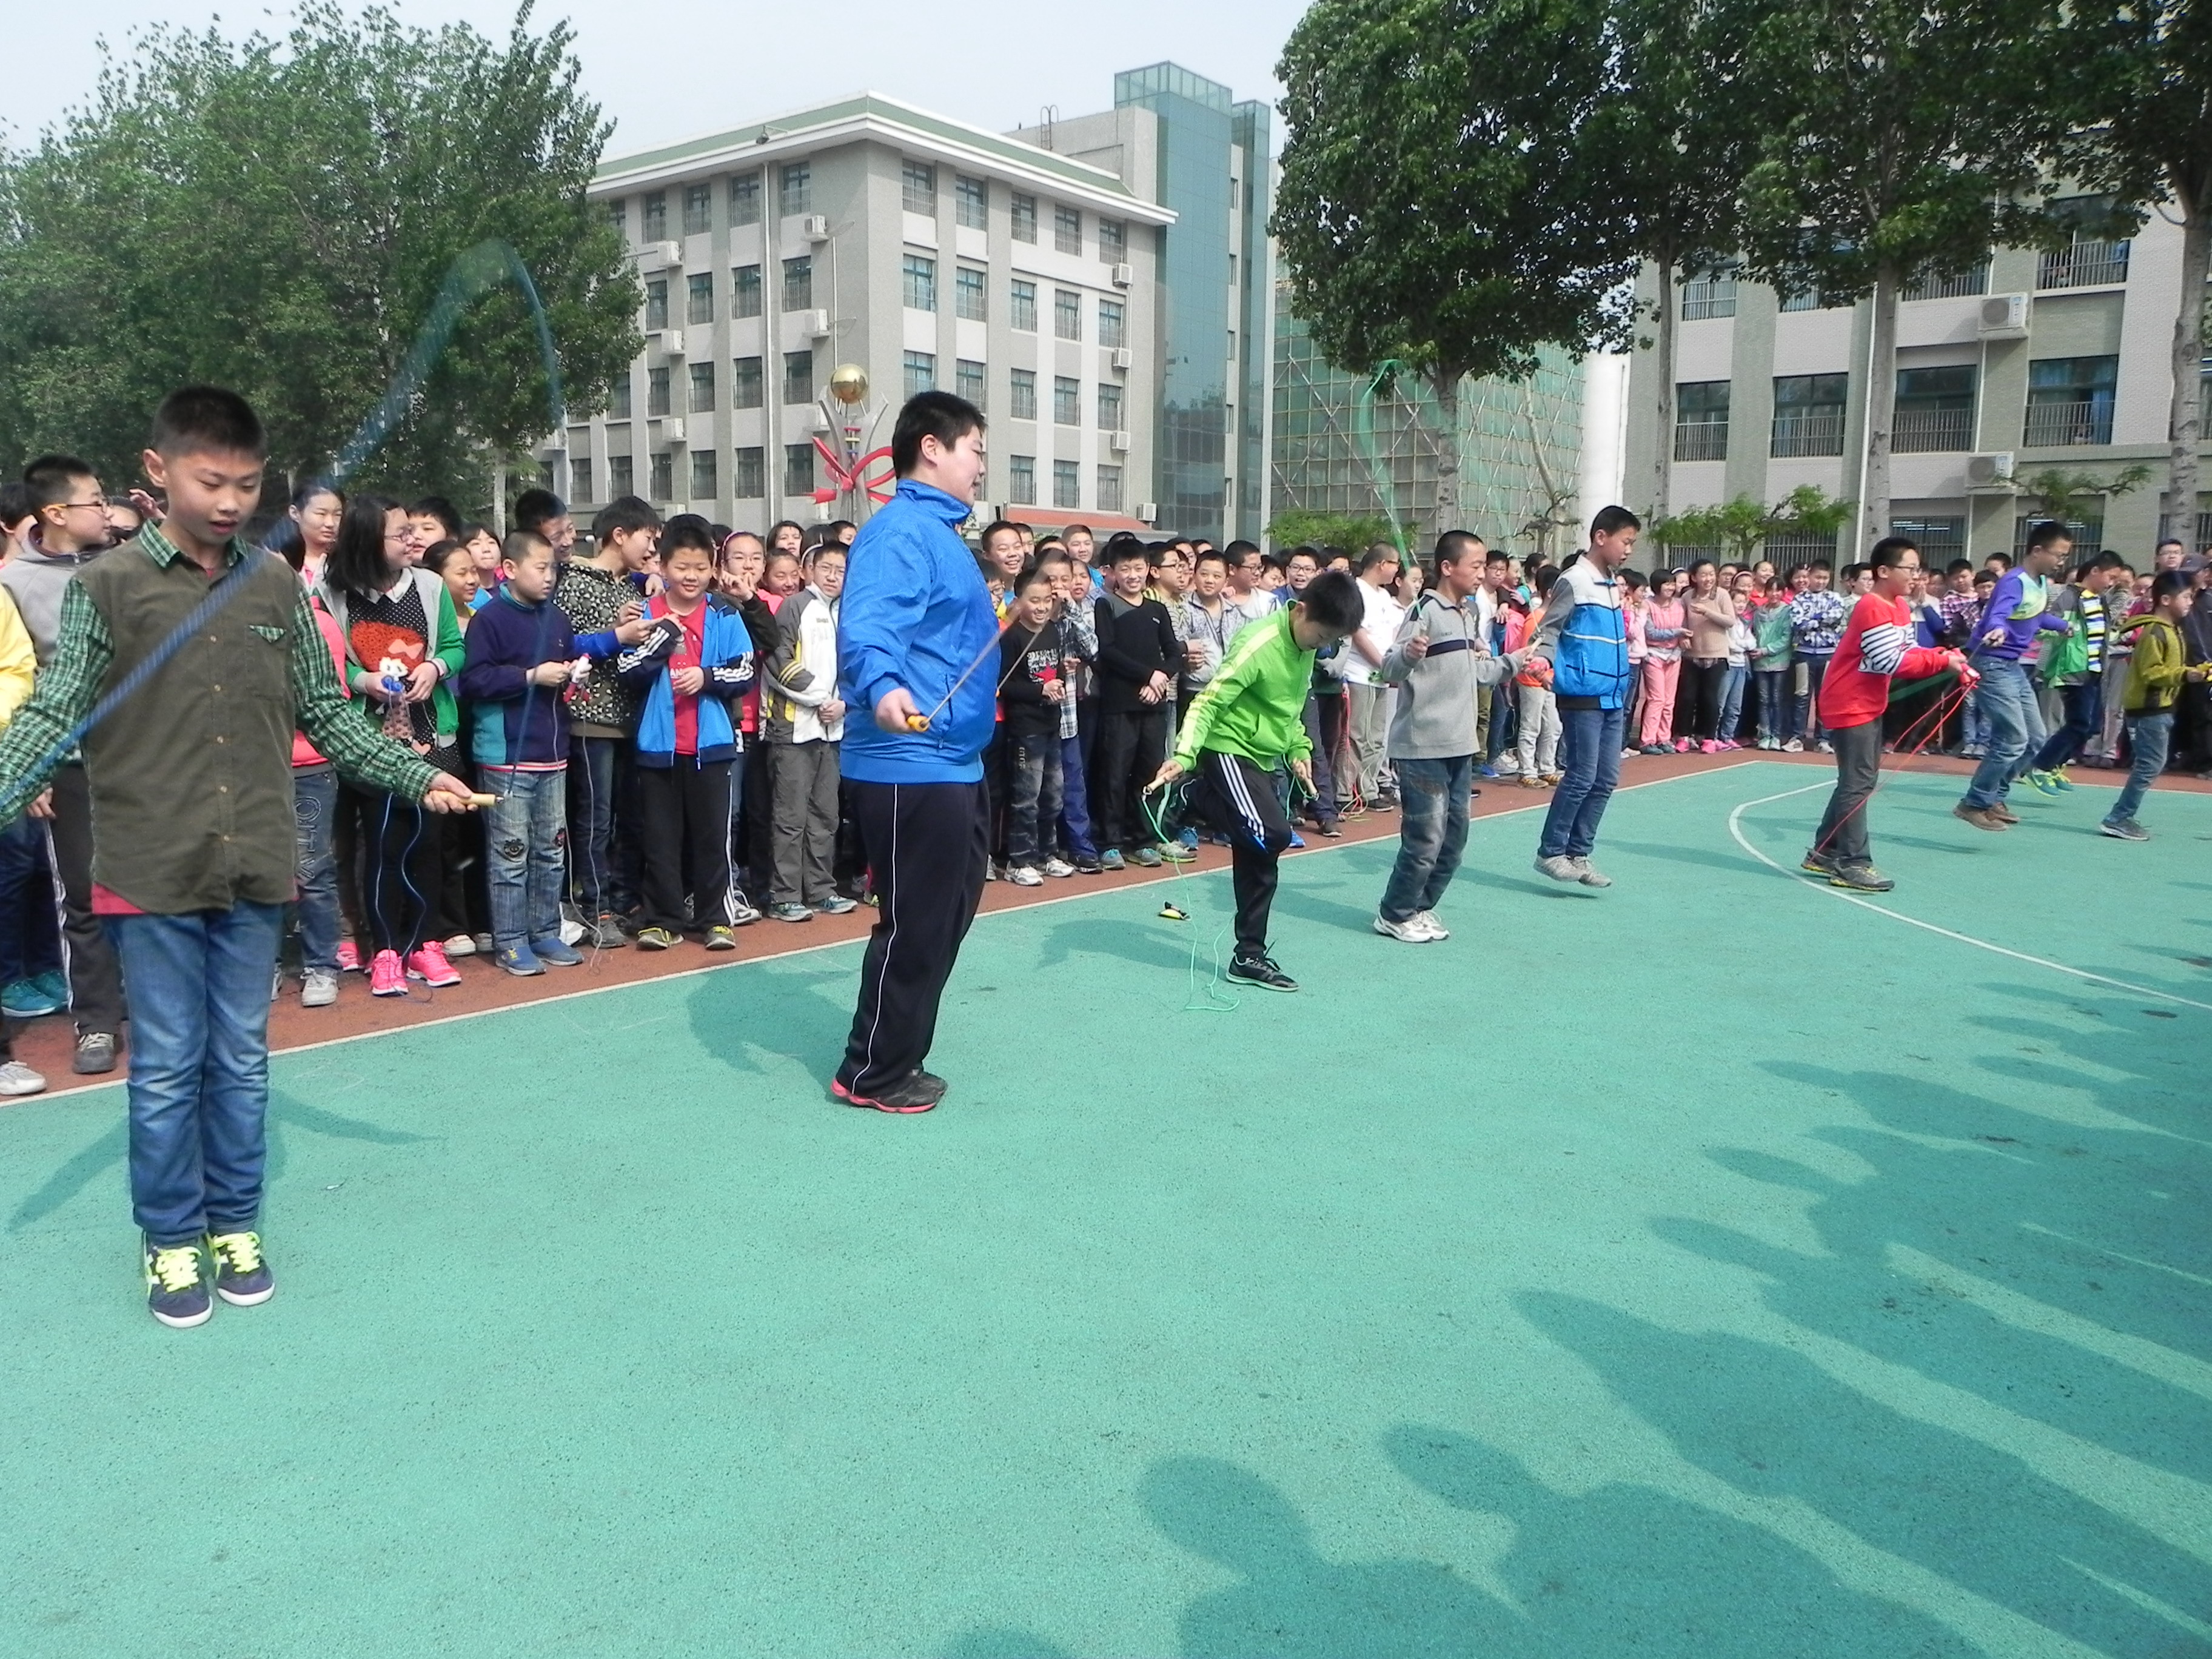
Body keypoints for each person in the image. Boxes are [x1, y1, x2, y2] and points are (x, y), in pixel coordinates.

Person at [0, 387, 474, 1327]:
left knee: (244, 1065)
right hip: (149, 872)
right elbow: (53, 714)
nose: (228, 501)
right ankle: (172, 1237)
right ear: (157, 470)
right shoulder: (106, 587)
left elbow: (328, 713)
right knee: (168, 1068)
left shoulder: (274, 587)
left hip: (256, 864)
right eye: (209, 480)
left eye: (247, 486)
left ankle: (235, 1224)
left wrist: (415, 775)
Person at [832, 390, 997, 1114]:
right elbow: (869, 626)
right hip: (908, 761)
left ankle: (900, 1054)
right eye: (976, 450)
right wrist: (882, 685)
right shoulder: (900, 531)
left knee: (947, 914)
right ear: (932, 447)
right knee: (916, 922)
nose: (981, 466)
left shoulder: (942, 535)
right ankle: (872, 1071)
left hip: (954, 760)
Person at [1149, 569, 1365, 992]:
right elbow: (1208, 703)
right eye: (1321, 636)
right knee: (1274, 833)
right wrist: (1185, 755)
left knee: (1260, 850)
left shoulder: (1304, 647)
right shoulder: (1259, 643)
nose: (1321, 646)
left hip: (1263, 756)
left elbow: (1291, 708)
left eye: (1330, 641)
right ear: (1301, 610)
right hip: (1227, 748)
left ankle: (1248, 954)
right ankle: (1192, 795)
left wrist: (1299, 750)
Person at [461, 531, 643, 973]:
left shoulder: (557, 619)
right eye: (540, 568)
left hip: (554, 753)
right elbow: (473, 682)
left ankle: (545, 931)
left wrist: (572, 673)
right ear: (509, 569)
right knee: (511, 853)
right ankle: (510, 940)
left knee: (551, 851)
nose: (549, 577)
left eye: (553, 569)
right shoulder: (490, 619)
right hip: (506, 754)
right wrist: (530, 676)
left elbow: (575, 652)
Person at [6, 454, 132, 1074]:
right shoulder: (13, 584)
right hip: (72, 766)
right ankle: (97, 1023)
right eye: (95, 501)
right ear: (56, 513)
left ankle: (158, 1005)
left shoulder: (124, 567)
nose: (107, 512)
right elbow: (20, 680)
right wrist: (32, 768)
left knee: (154, 886)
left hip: (145, 757)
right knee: (81, 893)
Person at [318, 493, 470, 996]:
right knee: (382, 848)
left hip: (430, 734)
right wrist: (364, 681)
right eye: (401, 533)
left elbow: (456, 647)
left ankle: (425, 944)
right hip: (369, 742)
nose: (413, 540)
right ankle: (385, 952)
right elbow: (326, 665)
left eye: (413, 531)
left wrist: (435, 668)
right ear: (368, 540)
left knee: (428, 845)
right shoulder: (331, 593)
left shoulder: (429, 586)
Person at [1372, 536, 1527, 942]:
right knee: (1425, 838)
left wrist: (1516, 661)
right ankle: (1394, 913)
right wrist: (1409, 655)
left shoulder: (1466, 613)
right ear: (1447, 567)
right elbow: (1389, 668)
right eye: (1475, 566)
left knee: (1454, 839)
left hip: (1460, 745)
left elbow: (1475, 672)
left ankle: (1419, 907)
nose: (1482, 574)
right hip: (1423, 745)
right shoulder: (1423, 610)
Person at [1801, 537, 1970, 890]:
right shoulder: (1872, 607)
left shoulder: (1899, 606)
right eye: (1910, 569)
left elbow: (1908, 649)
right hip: (1849, 703)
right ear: (1883, 571)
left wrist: (1943, 655)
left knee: (1857, 780)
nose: (1916, 576)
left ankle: (1825, 851)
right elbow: (1889, 661)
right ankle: (1853, 862)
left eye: (1918, 569)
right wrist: (1942, 662)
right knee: (1859, 782)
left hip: (1866, 702)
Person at [617, 521, 754, 951]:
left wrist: (705, 677)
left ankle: (716, 919)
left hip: (712, 746)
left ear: (713, 568)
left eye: (700, 567)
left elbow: (745, 671)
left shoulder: (725, 613)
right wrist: (665, 637)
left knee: (713, 838)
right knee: (660, 839)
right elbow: (628, 669)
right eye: (681, 567)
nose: (691, 576)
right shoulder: (645, 613)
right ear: (663, 566)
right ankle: (663, 920)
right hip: (658, 747)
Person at [557, 496, 660, 947]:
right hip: (589, 720)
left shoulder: (633, 586)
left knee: (629, 817)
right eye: (647, 538)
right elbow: (564, 645)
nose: (653, 549)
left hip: (631, 719)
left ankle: (623, 897)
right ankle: (592, 904)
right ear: (619, 535)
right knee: (595, 819)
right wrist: (617, 635)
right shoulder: (574, 582)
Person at [1533, 508, 1640, 887]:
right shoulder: (1574, 580)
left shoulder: (1611, 584)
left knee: (1606, 779)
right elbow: (1550, 628)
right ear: (1601, 537)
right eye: (1625, 541)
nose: (1629, 550)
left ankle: (1579, 853)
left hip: (1612, 694)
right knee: (1581, 776)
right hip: (1582, 692)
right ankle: (1551, 852)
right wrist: (1544, 660)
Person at [1954, 521, 2073, 832]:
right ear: (2037, 551)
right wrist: (1997, 629)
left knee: (2036, 738)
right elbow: (1999, 613)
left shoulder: (2039, 582)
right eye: (2059, 555)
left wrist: (2062, 626)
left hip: (2012, 666)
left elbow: (2034, 615)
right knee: (2013, 738)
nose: (2062, 562)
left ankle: (1995, 797)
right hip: (1991, 662)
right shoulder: (2013, 581)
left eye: (2065, 556)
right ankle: (1974, 803)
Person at [760, 543, 853, 921]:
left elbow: (856, 667)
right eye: (826, 568)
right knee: (790, 816)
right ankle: (784, 895)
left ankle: (821, 889)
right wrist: (821, 699)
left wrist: (844, 703)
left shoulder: (850, 611)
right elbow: (777, 661)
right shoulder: (794, 607)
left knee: (825, 815)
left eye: (841, 570)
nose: (833, 576)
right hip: (793, 729)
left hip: (834, 729)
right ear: (809, 570)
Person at [1090, 537, 1182, 870]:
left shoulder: (1158, 610)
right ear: (1112, 572)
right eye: (1125, 569)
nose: (1132, 575)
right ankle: (1110, 842)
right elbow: (1109, 651)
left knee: (1148, 773)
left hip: (1154, 704)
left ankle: (1143, 840)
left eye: (1138, 568)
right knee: (1114, 774)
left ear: (1148, 570)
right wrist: (1149, 676)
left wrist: (1160, 679)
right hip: (1119, 704)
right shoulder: (1106, 605)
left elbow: (1174, 653)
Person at [2100, 571, 2200, 840]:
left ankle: (2121, 816)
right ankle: (2118, 817)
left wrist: (2190, 671)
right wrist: (2185, 674)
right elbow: (2151, 672)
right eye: (2186, 597)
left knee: (2151, 763)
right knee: (2150, 764)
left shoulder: (2170, 630)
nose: (2190, 602)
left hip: (2159, 709)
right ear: (2166, 600)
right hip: (2149, 710)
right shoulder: (2156, 632)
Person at [997, 564, 1074, 885]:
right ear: (1018, 602)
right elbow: (1003, 684)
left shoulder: (1052, 630)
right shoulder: (1012, 637)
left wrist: (1060, 679)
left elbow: (1054, 672)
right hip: (1024, 729)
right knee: (1026, 797)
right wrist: (1040, 690)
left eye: (1046, 600)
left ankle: (1047, 854)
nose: (1042, 607)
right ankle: (1020, 860)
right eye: (1034, 601)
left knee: (1053, 795)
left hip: (1051, 724)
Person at [2024, 551, 2122, 792]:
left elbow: (2099, 634)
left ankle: (2053, 765)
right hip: (2072, 668)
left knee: (2092, 727)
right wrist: (2062, 630)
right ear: (2095, 571)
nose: (2111, 583)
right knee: (2078, 723)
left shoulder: (2100, 600)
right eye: (2110, 577)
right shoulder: (2068, 596)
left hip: (2095, 669)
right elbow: (2044, 627)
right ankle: (2040, 767)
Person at [1340, 546, 1404, 806]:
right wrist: (1383, 664)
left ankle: (1369, 789)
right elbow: (1358, 633)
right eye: (1395, 564)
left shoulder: (1385, 595)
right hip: (1359, 673)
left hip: (1380, 677)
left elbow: (1391, 634)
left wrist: (1394, 664)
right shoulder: (1356, 590)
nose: (1397, 570)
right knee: (1356, 736)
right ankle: (1345, 792)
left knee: (1376, 738)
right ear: (1381, 564)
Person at [1681, 559, 1737, 753]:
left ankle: (1709, 738)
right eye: (1704, 575)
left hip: (1716, 656)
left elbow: (1730, 621)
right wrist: (1683, 637)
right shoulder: (1687, 597)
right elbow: (1683, 622)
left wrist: (1707, 612)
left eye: (1711, 574)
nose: (1708, 579)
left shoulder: (1721, 595)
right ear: (1694, 577)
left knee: (1710, 698)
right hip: (1692, 656)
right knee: (1688, 698)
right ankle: (1684, 737)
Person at [1637, 568, 1687, 754]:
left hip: (1674, 655)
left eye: (1672, 583)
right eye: (1666, 584)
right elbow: (1651, 633)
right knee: (1656, 699)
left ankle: (1664, 738)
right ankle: (1647, 740)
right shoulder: (1647, 605)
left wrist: (1678, 647)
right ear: (1657, 586)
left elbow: (1686, 631)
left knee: (1669, 700)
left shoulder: (1680, 605)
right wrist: (1678, 633)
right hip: (1653, 655)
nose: (1670, 587)